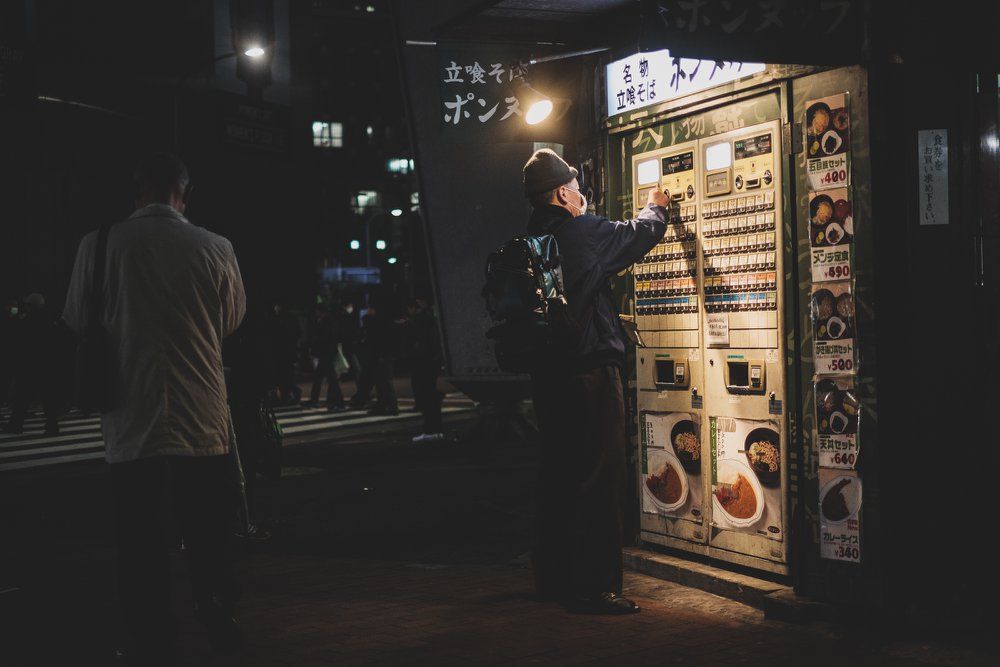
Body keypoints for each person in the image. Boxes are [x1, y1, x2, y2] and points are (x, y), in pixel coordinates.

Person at [63, 153, 246, 662]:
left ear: (137, 192)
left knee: (140, 540)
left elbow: (78, 317)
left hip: (131, 414)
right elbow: (231, 320)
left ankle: (152, 634)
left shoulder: (99, 245)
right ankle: (217, 615)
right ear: (184, 195)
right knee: (208, 534)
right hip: (202, 415)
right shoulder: (216, 247)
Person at [521, 148, 668, 615]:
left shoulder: (531, 238)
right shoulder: (580, 231)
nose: (582, 198)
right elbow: (638, 235)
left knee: (558, 474)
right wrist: (657, 204)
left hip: (549, 377)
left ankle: (553, 578)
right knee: (601, 477)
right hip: (590, 374)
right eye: (577, 191)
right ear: (563, 193)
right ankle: (597, 588)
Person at [1, 293, 64, 435]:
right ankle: (52, 427)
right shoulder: (51, 322)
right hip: (47, 367)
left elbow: (18, 345)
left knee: (21, 398)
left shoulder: (26, 322)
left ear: (31, 307)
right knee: (49, 399)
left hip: (28, 367)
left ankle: (16, 425)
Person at [403, 296, 445, 443]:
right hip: (432, 362)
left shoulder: (418, 322)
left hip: (422, 363)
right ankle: (436, 430)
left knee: (425, 396)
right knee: (431, 395)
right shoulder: (431, 319)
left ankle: (431, 430)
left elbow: (418, 344)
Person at [350, 301, 398, 415]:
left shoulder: (376, 324)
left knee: (384, 382)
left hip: (379, 356)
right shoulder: (382, 322)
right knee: (381, 382)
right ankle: (383, 405)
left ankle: (391, 406)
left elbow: (375, 341)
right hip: (380, 356)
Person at [305, 303, 347, 411]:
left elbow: (324, 339)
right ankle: (315, 399)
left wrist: (316, 350)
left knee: (330, 379)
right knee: (321, 378)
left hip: (326, 354)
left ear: (320, 311)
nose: (316, 313)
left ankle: (338, 402)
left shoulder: (327, 321)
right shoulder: (328, 320)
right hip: (326, 354)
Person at [269, 300, 301, 406]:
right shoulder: (291, 319)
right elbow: (298, 333)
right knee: (286, 376)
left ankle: (288, 395)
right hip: (288, 353)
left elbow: (276, 337)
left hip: (282, 353)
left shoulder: (279, 320)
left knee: (283, 376)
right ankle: (287, 396)